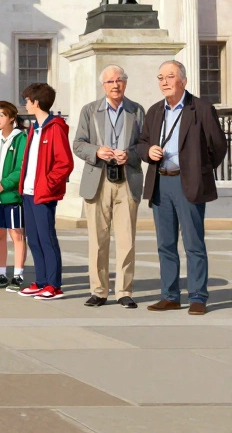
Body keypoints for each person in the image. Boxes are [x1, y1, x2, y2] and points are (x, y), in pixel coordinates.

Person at [135, 60, 227, 315]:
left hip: (188, 182)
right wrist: (147, 151)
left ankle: (198, 296)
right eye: (160, 77)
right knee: (165, 243)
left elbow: (218, 146)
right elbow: (141, 143)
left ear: (183, 81)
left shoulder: (201, 108)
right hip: (160, 181)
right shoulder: (154, 111)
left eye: (170, 76)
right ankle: (170, 295)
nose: (164, 82)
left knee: (193, 242)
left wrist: (199, 169)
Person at [73, 65, 145, 308]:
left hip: (127, 179)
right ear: (103, 85)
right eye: (110, 81)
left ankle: (124, 291)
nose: (116, 85)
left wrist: (130, 155)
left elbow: (145, 145)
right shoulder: (90, 111)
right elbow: (78, 144)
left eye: (120, 80)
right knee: (98, 238)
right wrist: (97, 151)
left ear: (126, 82)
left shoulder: (137, 111)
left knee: (126, 239)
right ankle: (99, 290)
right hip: (99, 179)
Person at [17, 83, 74, 301]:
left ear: (36, 102)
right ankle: (41, 281)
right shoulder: (35, 128)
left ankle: (54, 284)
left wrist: (48, 184)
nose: (25, 103)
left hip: (43, 193)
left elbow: (64, 163)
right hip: (29, 193)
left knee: (46, 238)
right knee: (33, 239)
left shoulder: (55, 128)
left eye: (28, 100)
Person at [0, 101, 28, 291]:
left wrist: (4, 185)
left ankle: (18, 275)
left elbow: (21, 168)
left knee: (17, 234)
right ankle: (1, 274)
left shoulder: (21, 139)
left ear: (12, 118)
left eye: (2, 115)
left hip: (12, 197)